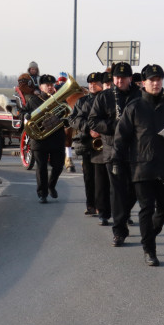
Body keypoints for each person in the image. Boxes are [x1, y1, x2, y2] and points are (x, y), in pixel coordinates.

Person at [115, 64, 164, 266]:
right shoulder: (134, 107)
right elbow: (121, 138)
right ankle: (149, 251)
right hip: (141, 166)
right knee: (146, 208)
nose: (155, 83)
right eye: (151, 80)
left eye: (159, 79)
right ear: (143, 83)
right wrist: (117, 163)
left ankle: (149, 234)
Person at [89, 62, 141, 244]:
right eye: (116, 78)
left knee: (135, 190)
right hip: (113, 150)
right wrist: (115, 127)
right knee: (117, 191)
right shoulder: (104, 96)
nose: (119, 81)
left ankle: (122, 213)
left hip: (136, 151)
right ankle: (119, 230)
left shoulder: (140, 96)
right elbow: (93, 121)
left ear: (130, 79)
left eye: (123, 78)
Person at [69, 72, 108, 218]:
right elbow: (73, 119)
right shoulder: (82, 101)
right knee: (88, 177)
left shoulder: (106, 100)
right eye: (90, 83)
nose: (92, 85)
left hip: (102, 143)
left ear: (101, 84)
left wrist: (100, 129)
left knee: (101, 178)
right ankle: (90, 205)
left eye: (95, 83)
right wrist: (88, 128)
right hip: (86, 143)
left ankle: (101, 206)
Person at [25, 74, 67, 203]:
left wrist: (66, 121)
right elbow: (23, 112)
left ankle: (51, 185)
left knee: (59, 166)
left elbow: (68, 115)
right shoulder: (33, 100)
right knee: (41, 167)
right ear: (41, 87)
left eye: (52, 85)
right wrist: (26, 115)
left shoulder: (60, 100)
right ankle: (42, 194)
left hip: (57, 138)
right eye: (47, 85)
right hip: (40, 140)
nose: (50, 87)